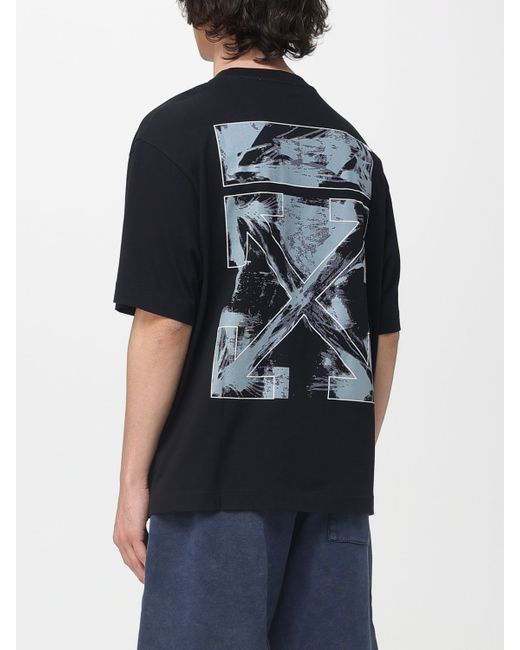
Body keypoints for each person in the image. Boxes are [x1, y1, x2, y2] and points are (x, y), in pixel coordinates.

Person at [113, 1, 400, 648]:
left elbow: (162, 321)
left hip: (214, 484)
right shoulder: (355, 150)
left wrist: (133, 482)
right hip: (334, 493)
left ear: (208, 12)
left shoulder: (173, 132)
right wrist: (343, 457)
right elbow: (383, 332)